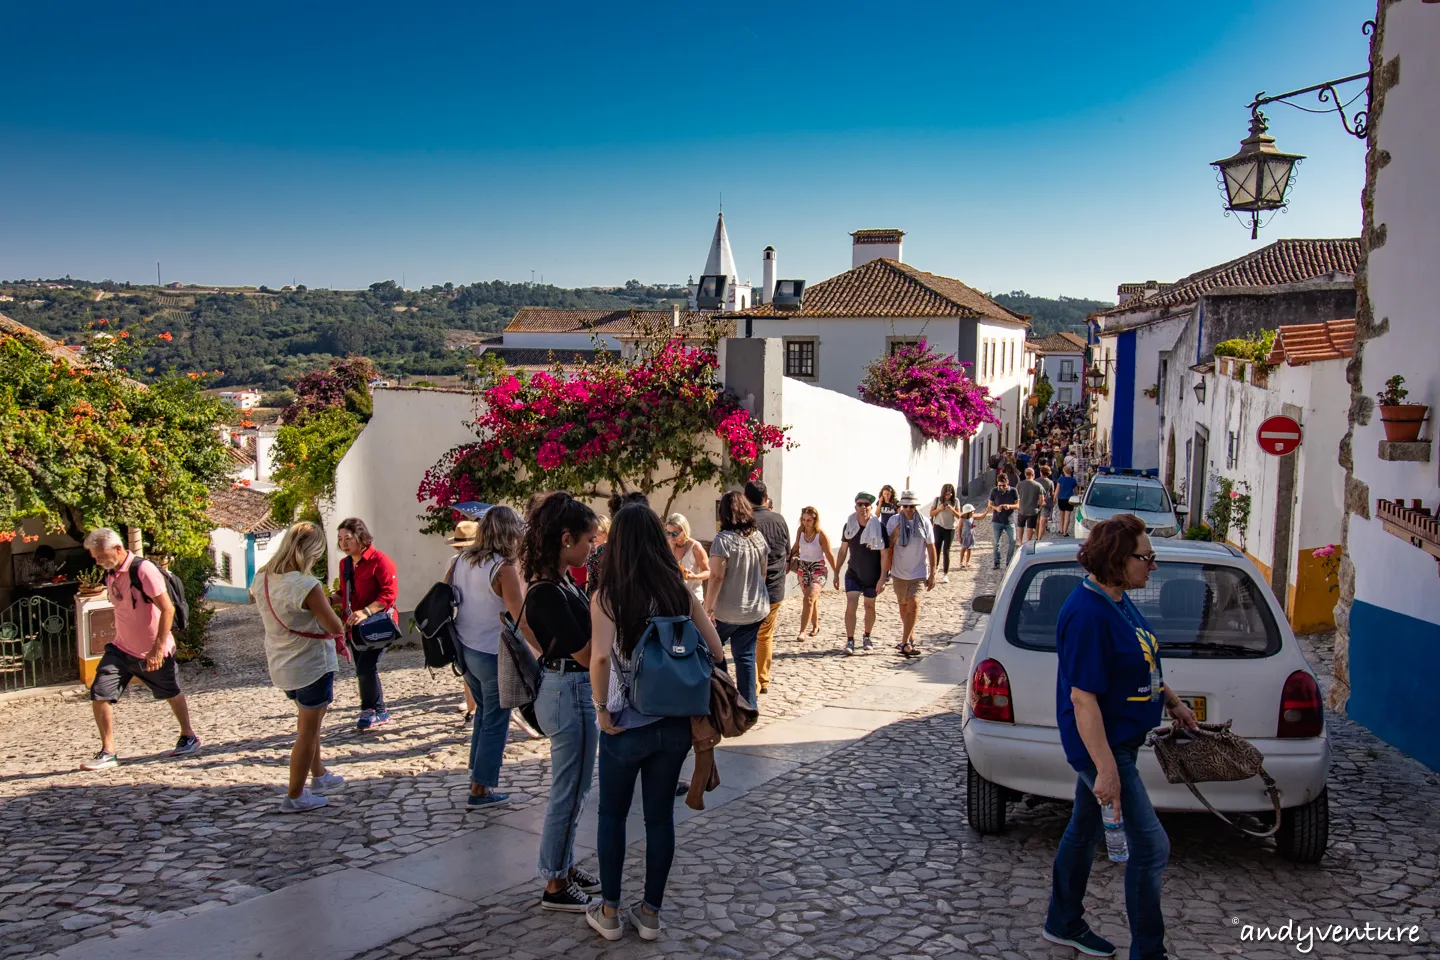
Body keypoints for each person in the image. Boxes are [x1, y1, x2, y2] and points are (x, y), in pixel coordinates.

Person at [1045, 514, 1197, 960]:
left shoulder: (1115, 599)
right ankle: (1149, 952)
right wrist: (1106, 770)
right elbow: (1083, 700)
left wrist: (1172, 701)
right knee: (1151, 848)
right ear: (1117, 559)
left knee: (1082, 829)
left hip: (1119, 742)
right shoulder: (1088, 614)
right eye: (1145, 558)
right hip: (1104, 747)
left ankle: (1062, 920)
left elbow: (1139, 657)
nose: (1153, 566)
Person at [586, 504, 727, 943]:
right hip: (673, 725)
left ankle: (609, 912)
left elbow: (602, 657)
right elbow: (717, 651)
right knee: (659, 819)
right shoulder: (678, 591)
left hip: (625, 723)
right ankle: (650, 914)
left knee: (612, 816)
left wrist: (602, 709)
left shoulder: (608, 596)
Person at [520, 493, 603, 911]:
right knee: (567, 791)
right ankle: (553, 880)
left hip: (572, 690)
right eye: (588, 540)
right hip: (568, 690)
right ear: (566, 537)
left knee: (577, 789)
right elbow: (586, 653)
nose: (592, 547)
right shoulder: (546, 592)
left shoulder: (561, 581)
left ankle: (564, 865)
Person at [80, 529, 199, 770]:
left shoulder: (143, 570)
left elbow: (168, 609)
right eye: (95, 558)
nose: (98, 561)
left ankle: (189, 736)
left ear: (117, 549)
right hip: (121, 648)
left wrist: (157, 649)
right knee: (100, 693)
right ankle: (108, 751)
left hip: (153, 650)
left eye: (100, 556)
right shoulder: (111, 574)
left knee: (170, 691)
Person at [252, 522, 347, 812]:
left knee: (310, 723)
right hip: (310, 664)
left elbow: (289, 609)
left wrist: (322, 604)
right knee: (307, 731)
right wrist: (332, 607)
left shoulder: (262, 577)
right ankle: (295, 795)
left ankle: (318, 776)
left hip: (282, 664)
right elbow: (334, 626)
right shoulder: (307, 585)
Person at [449, 507, 527, 810]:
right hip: (491, 649)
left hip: (465, 647)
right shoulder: (502, 567)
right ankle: (480, 789)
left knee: (483, 713)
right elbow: (519, 613)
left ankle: (475, 776)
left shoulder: (461, 561)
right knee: (496, 718)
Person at [705, 491, 770, 705]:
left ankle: (724, 696)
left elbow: (716, 576)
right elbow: (763, 573)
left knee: (709, 650)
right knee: (745, 656)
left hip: (729, 610)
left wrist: (708, 608)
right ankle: (749, 706)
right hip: (755, 608)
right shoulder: (758, 537)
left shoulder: (723, 540)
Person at [335, 518, 399, 730]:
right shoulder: (344, 564)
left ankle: (368, 709)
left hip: (377, 625)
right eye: (340, 539)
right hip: (355, 626)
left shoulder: (380, 561)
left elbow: (389, 594)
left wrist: (366, 611)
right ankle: (381, 711)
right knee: (365, 669)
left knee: (365, 668)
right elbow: (344, 593)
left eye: (348, 538)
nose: (343, 543)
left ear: (361, 537)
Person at [744, 481, 789, 697]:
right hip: (775, 587)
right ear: (766, 497)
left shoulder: (746, 522)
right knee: (765, 636)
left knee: (750, 637)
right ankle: (763, 679)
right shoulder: (779, 520)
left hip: (751, 589)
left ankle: (754, 681)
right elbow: (786, 552)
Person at [880, 491, 936, 659]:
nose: (909, 509)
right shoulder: (893, 521)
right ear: (901, 506)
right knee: (904, 607)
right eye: (906, 506)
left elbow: (931, 548)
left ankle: (904, 642)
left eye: (912, 506)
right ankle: (909, 638)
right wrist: (894, 535)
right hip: (899, 573)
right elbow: (887, 545)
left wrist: (932, 573)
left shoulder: (924, 522)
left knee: (914, 604)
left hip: (918, 572)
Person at [832, 492, 887, 654]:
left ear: (871, 507)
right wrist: (836, 572)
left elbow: (884, 555)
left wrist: (883, 577)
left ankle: (867, 636)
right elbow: (843, 551)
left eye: (866, 505)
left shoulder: (879, 527)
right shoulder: (849, 526)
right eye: (860, 504)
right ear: (855, 507)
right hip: (853, 573)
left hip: (872, 574)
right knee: (851, 603)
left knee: (869, 606)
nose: (863, 507)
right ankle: (850, 640)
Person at [448, 521, 481, 725]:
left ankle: (472, 708)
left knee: (468, 671)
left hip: (461, 619)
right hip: (481, 621)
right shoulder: (485, 562)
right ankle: (476, 708)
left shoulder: (454, 562)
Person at [787, 506, 836, 640]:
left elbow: (830, 555)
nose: (805, 523)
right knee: (811, 600)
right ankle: (815, 626)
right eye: (803, 520)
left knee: (808, 599)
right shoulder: (800, 531)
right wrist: (788, 560)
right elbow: (796, 546)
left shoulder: (821, 535)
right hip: (803, 569)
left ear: (815, 520)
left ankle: (802, 631)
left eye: (809, 520)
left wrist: (836, 573)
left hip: (818, 569)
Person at [975, 472, 1019, 569]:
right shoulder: (994, 491)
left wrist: (1010, 506)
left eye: (1003, 486)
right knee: (996, 543)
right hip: (997, 521)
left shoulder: (1013, 491)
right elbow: (989, 505)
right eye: (999, 485)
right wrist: (996, 508)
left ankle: (1009, 562)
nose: (1001, 488)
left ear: (1007, 482)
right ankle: (997, 562)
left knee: (1013, 541)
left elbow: (1018, 505)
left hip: (1009, 521)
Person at [666, 513, 709, 602]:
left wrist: (694, 577)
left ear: (684, 531)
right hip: (674, 598)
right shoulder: (669, 543)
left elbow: (708, 572)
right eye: (668, 533)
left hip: (693, 598)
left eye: (674, 534)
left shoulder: (695, 547)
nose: (670, 537)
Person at [929, 484, 961, 584]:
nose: (948, 496)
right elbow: (931, 513)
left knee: (946, 550)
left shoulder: (955, 501)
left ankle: (945, 574)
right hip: (938, 527)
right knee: (936, 549)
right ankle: (934, 570)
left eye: (950, 494)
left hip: (950, 528)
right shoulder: (937, 500)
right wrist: (940, 509)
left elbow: (959, 515)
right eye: (947, 494)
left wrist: (952, 509)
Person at [1016, 468, 1047, 546]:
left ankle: (1020, 541)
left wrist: (1018, 505)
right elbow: (1041, 500)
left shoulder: (1019, 484)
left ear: (1025, 474)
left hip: (1022, 509)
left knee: (1020, 526)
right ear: (1033, 475)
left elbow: (1016, 497)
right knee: (1030, 527)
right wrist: (1039, 507)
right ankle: (1028, 542)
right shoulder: (1038, 485)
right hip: (1033, 510)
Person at [1056, 465, 1080, 537]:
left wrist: (1054, 497)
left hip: (1061, 498)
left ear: (1064, 471)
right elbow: (1076, 491)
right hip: (1069, 499)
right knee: (1068, 516)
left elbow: (1057, 489)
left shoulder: (1060, 479)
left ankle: (1061, 529)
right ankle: (1065, 532)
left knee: (1061, 514)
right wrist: (1077, 497)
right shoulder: (1073, 480)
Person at [1037, 465, 1057, 539]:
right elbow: (1052, 493)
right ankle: (1039, 538)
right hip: (1046, 502)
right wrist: (1054, 500)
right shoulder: (1050, 482)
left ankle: (1036, 535)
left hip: (1037, 503)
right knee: (1042, 522)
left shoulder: (1036, 481)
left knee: (1037, 521)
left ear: (1041, 472)